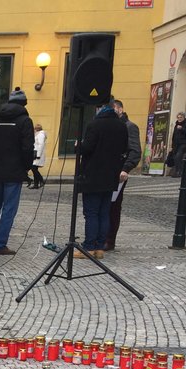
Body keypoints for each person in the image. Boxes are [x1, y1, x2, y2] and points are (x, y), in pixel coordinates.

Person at [75, 102, 128, 259]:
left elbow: (88, 148)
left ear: (99, 109)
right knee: (104, 212)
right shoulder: (121, 126)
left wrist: (79, 146)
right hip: (110, 175)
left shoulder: (95, 124)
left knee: (91, 213)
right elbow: (124, 149)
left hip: (93, 175)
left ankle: (89, 247)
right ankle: (99, 248)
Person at [0, 87, 35, 256]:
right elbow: (28, 148)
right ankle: (0, 244)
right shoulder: (25, 121)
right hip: (14, 172)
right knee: (9, 209)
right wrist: (26, 167)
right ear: (24, 104)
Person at [106, 99, 142, 251]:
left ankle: (109, 240)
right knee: (105, 205)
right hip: (108, 170)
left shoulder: (129, 127)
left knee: (113, 206)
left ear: (119, 109)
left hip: (119, 171)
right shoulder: (113, 126)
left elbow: (135, 150)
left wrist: (126, 168)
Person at [168, 112, 186, 177]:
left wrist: (182, 129)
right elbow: (174, 136)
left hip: (184, 144)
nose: (179, 119)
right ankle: (177, 171)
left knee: (178, 157)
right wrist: (172, 146)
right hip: (176, 144)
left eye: (181, 117)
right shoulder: (176, 124)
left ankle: (179, 172)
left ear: (184, 118)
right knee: (176, 158)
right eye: (178, 117)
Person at [30, 123, 46, 189]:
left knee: (33, 168)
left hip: (37, 154)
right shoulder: (37, 134)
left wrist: (38, 155)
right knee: (34, 169)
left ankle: (41, 180)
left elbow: (41, 144)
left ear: (36, 129)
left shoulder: (41, 135)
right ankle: (36, 184)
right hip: (35, 153)